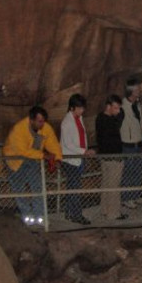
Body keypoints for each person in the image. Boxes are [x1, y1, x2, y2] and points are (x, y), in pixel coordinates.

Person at [3, 106, 62, 226]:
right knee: (19, 190)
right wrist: (44, 156)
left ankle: (39, 217)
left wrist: (57, 158)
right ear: (31, 120)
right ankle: (27, 216)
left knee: (37, 187)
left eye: (43, 121)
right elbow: (23, 151)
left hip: (33, 159)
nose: (42, 124)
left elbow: (53, 143)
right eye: (39, 121)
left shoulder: (45, 128)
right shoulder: (18, 129)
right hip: (16, 161)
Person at [60, 94, 95, 225]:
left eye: (82, 108)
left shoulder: (78, 119)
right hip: (71, 160)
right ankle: (76, 214)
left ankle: (69, 212)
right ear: (72, 107)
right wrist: (84, 151)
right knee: (75, 187)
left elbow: (81, 137)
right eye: (79, 108)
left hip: (78, 158)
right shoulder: (67, 122)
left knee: (73, 186)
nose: (82, 111)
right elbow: (68, 143)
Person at [95, 94, 129, 221]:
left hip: (105, 157)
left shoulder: (99, 118)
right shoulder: (109, 120)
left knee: (106, 184)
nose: (118, 111)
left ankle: (105, 210)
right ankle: (113, 213)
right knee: (114, 185)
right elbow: (112, 139)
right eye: (115, 108)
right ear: (108, 106)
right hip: (113, 157)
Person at [119, 79, 142, 208]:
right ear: (131, 91)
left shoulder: (137, 105)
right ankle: (126, 198)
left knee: (138, 170)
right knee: (128, 171)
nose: (139, 91)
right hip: (128, 145)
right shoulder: (123, 107)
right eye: (137, 89)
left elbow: (140, 123)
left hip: (138, 143)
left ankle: (135, 195)